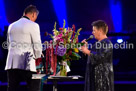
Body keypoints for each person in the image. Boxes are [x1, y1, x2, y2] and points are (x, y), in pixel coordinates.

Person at [5, 5, 42, 91]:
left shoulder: (11, 26)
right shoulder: (34, 25)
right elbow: (37, 45)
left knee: (11, 89)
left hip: (12, 64)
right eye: (35, 16)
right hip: (28, 63)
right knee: (35, 88)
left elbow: (8, 44)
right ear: (33, 14)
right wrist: (38, 58)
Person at [81, 20, 114, 91]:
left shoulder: (107, 43)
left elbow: (100, 57)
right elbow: (91, 58)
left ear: (100, 31)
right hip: (93, 77)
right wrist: (85, 50)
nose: (92, 32)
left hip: (102, 79)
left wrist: (87, 51)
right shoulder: (96, 44)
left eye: (94, 30)